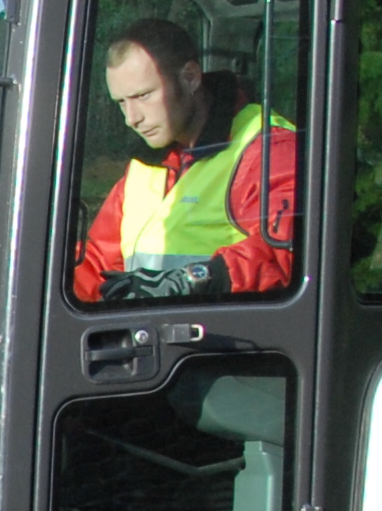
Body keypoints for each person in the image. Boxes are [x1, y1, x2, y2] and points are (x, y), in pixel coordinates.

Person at [70, 18, 297, 306]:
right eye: (121, 102)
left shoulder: (268, 149)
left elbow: (285, 253)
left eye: (143, 95)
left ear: (190, 78)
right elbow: (97, 264)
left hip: (231, 342)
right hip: (155, 337)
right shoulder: (146, 166)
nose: (132, 118)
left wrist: (197, 279)